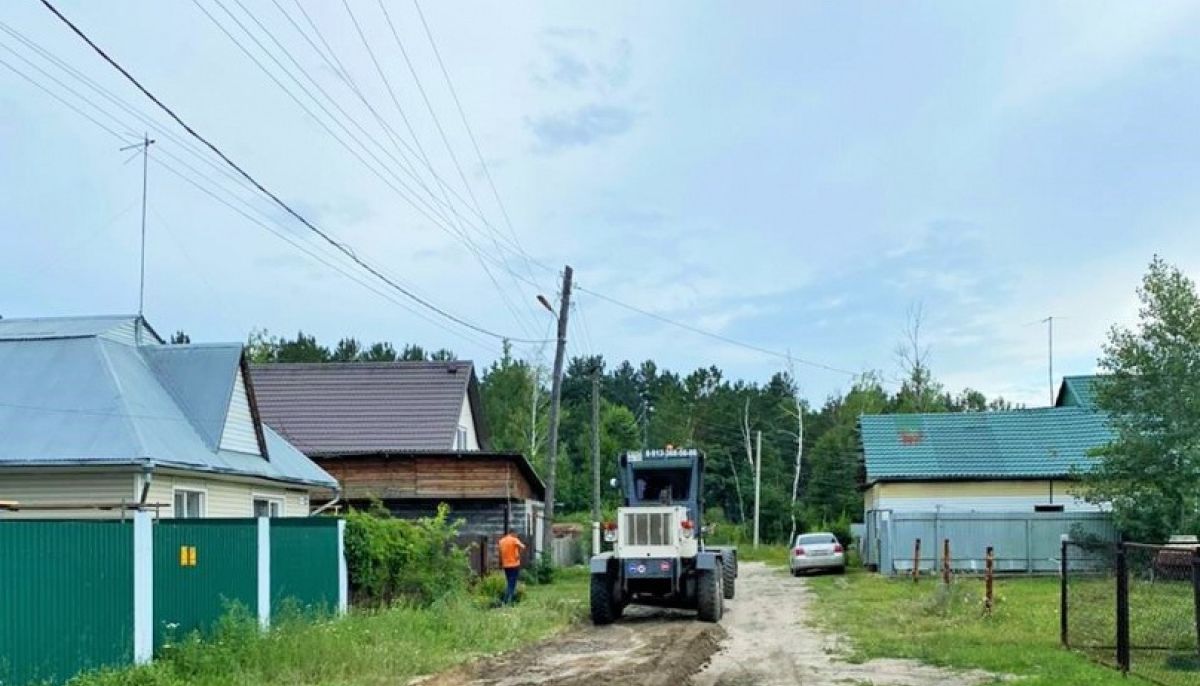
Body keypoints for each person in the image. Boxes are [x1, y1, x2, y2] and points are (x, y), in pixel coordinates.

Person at [497, 528, 526, 605]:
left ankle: (507, 600)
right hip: (514, 565)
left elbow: (500, 554)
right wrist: (519, 555)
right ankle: (507, 601)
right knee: (512, 584)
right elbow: (523, 547)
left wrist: (500, 563)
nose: (516, 536)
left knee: (509, 582)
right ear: (513, 533)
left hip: (506, 565)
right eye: (516, 534)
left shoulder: (501, 541)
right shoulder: (514, 539)